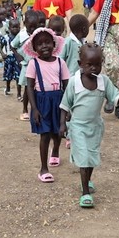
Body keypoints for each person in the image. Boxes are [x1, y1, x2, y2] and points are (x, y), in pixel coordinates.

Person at [59, 43, 119, 208]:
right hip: (78, 126)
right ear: (80, 64)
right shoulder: (74, 82)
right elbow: (64, 105)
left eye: (97, 64)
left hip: (95, 126)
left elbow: (116, 98)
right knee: (84, 157)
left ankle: (87, 180)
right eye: (89, 64)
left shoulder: (104, 82)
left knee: (91, 157)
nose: (94, 68)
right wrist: (62, 126)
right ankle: (85, 192)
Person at [23, 27, 69, 182]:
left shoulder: (60, 62)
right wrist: (34, 108)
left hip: (58, 100)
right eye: (40, 44)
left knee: (58, 132)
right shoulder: (33, 64)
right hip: (41, 101)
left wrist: (68, 107)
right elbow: (29, 86)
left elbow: (67, 85)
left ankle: (55, 150)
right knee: (45, 134)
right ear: (34, 48)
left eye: (47, 42)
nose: (44, 46)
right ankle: (43, 168)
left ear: (54, 44)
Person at [14, 9, 45, 120]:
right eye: (30, 26)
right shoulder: (21, 35)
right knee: (28, 89)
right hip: (27, 66)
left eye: (35, 26)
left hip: (38, 65)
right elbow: (13, 46)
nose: (32, 29)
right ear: (25, 24)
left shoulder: (38, 34)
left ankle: (37, 109)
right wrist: (18, 58)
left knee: (38, 88)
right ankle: (24, 110)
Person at [1, 19, 22, 98]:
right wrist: (3, 54)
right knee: (8, 75)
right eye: (13, 27)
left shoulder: (20, 37)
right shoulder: (6, 37)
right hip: (9, 59)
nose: (15, 29)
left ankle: (19, 94)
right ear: (9, 28)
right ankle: (8, 88)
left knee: (18, 76)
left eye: (17, 27)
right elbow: (0, 46)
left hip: (17, 59)